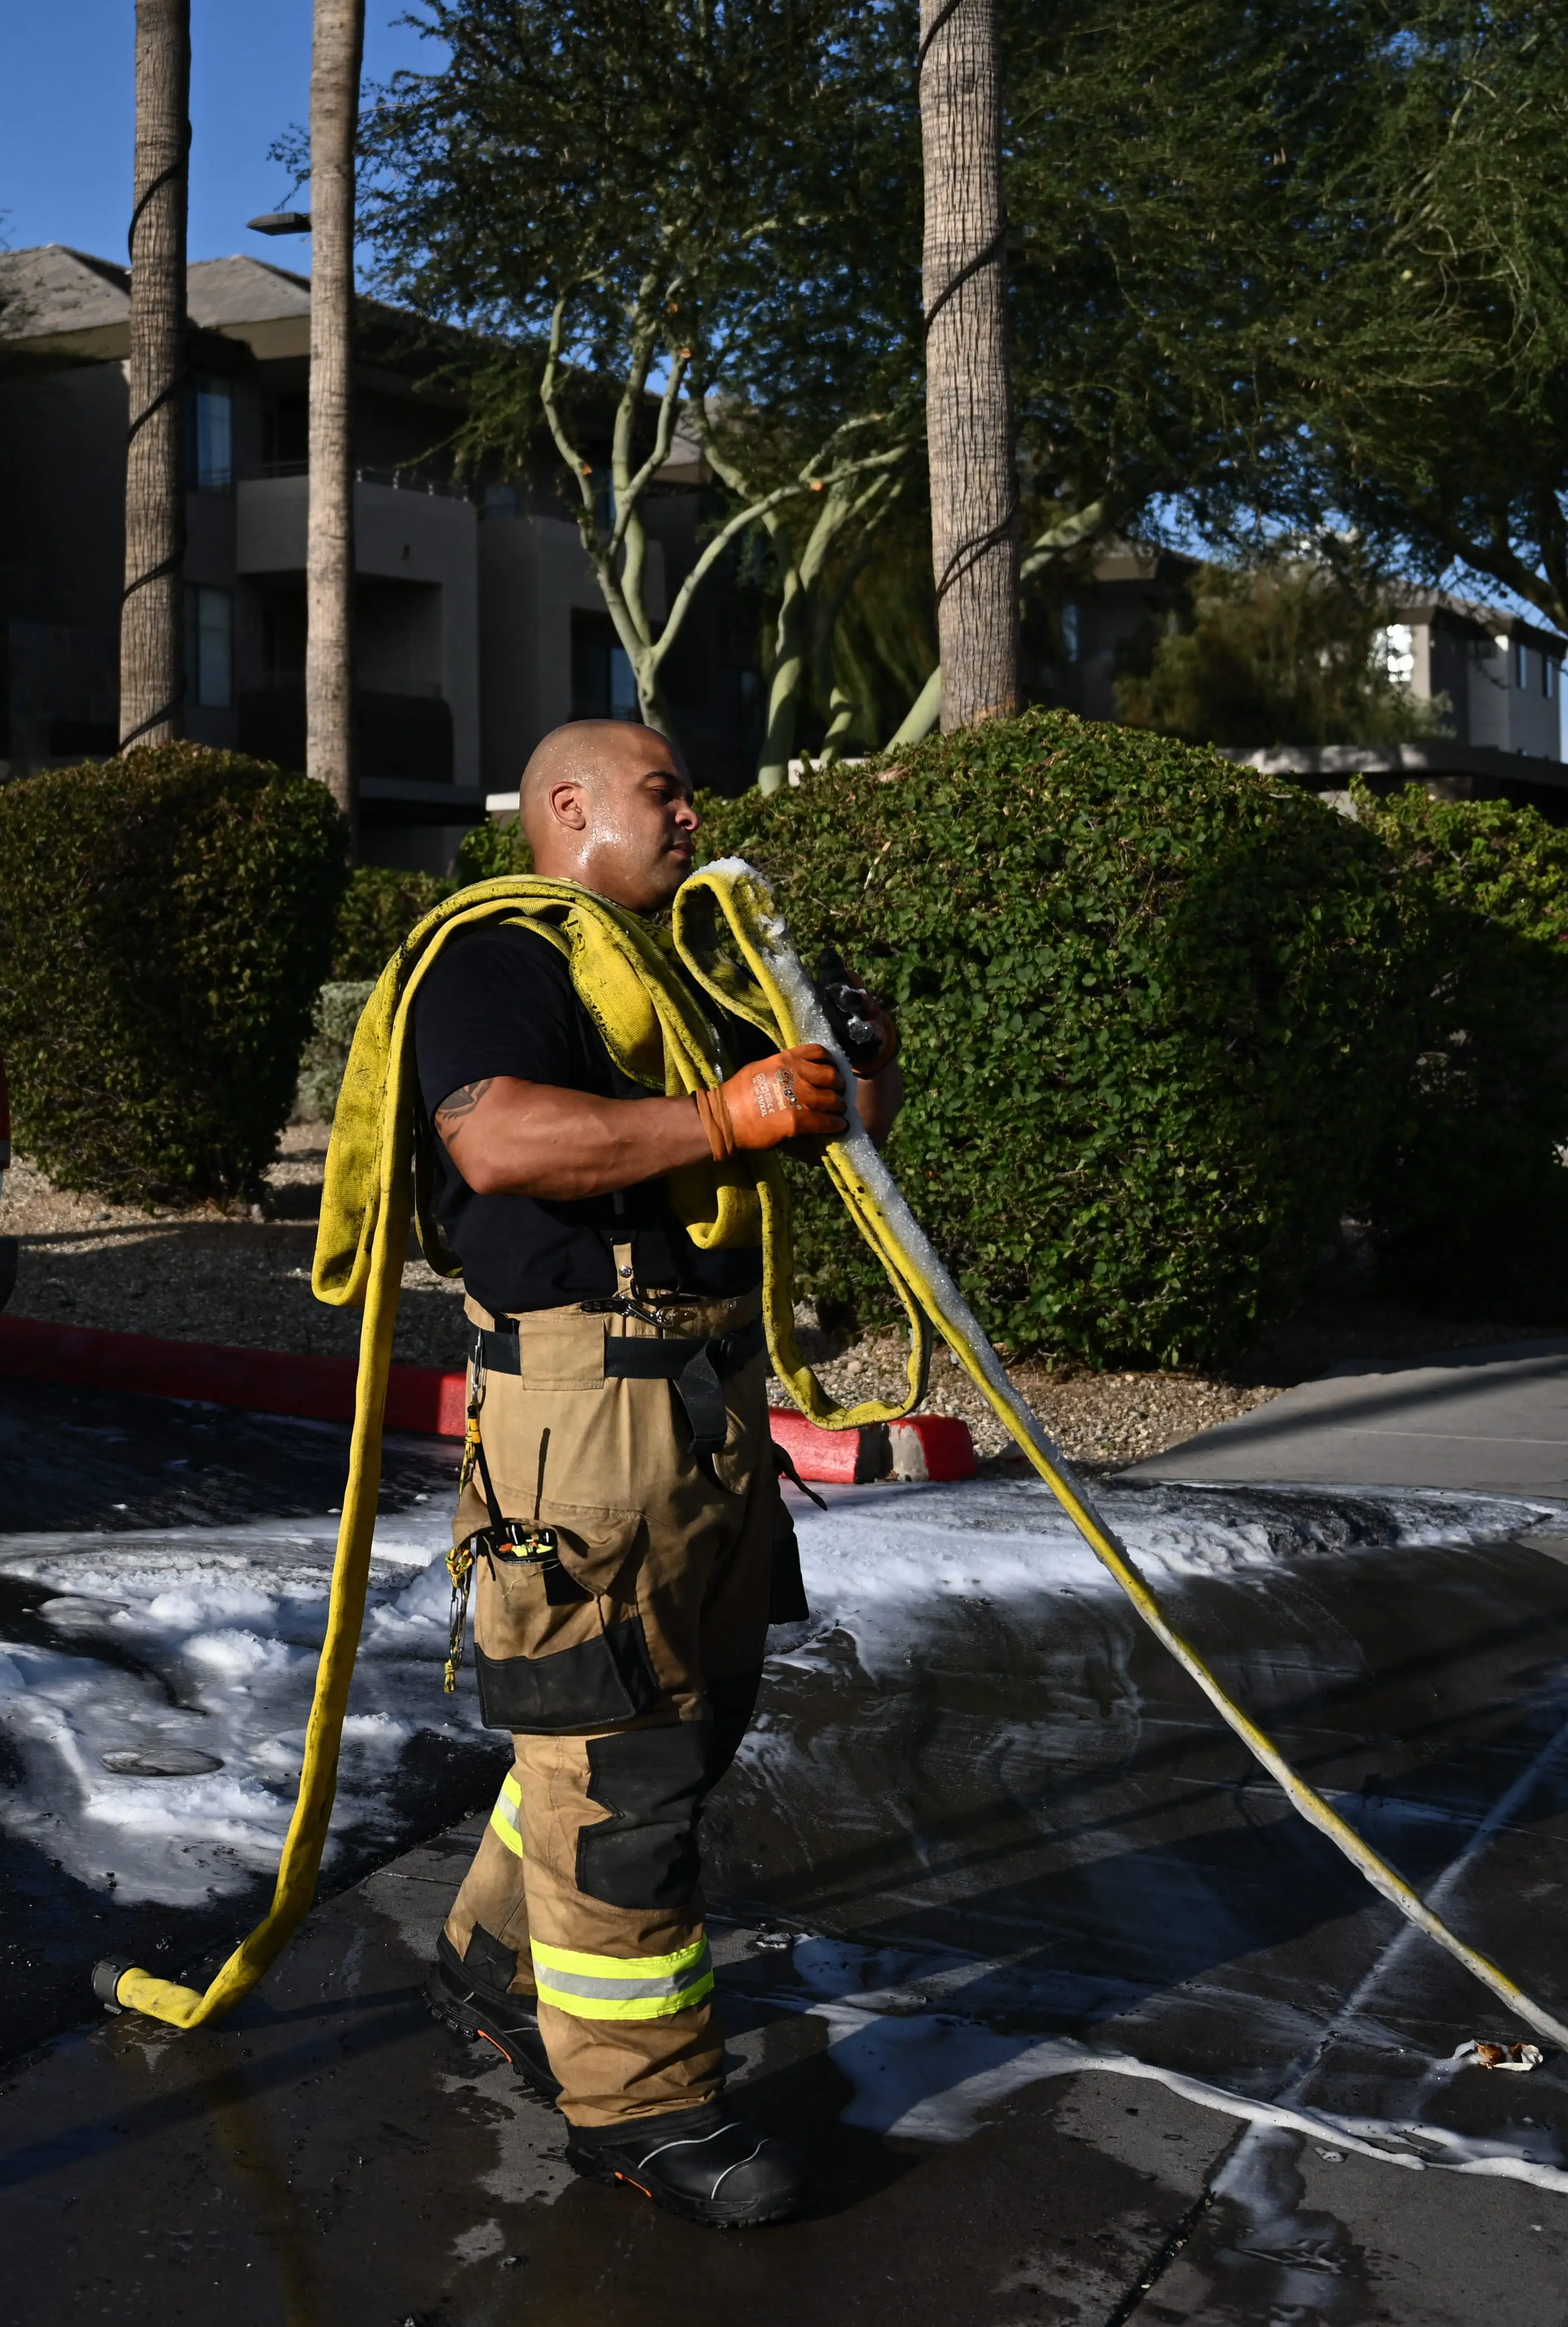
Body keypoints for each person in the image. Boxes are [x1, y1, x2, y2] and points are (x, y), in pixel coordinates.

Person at [414, 718, 899, 2229]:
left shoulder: (682, 975)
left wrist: (852, 1068)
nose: (694, 814)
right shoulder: (502, 957)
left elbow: (829, 1134)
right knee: (621, 1766)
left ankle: (501, 1967)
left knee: (667, 1723)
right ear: (568, 808)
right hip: (584, 1409)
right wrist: (722, 1115)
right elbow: (494, 1138)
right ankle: (645, 2110)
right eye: (661, 792)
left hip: (699, 1405)